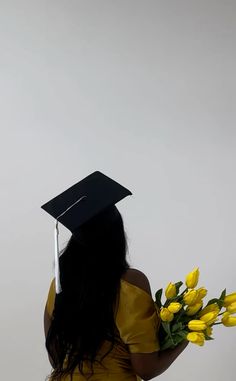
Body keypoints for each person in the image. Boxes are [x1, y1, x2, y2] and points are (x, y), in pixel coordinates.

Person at [43, 171, 188, 381]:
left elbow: (56, 359)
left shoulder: (59, 285)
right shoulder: (130, 283)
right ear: (117, 236)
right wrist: (186, 336)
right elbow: (146, 369)